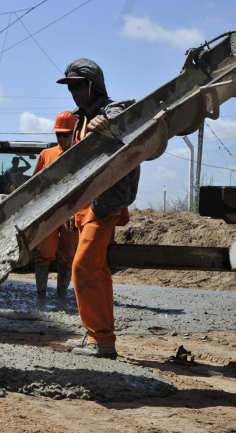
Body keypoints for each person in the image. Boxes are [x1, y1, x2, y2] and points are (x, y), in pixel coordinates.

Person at [57, 59, 140, 359]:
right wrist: (69, 210)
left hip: (102, 206)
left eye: (78, 85)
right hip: (85, 207)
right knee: (98, 271)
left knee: (82, 269)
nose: (73, 91)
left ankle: (100, 341)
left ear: (93, 86)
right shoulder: (81, 120)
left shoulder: (112, 111)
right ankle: (99, 336)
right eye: (70, 86)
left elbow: (134, 139)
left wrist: (107, 128)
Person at [33, 111, 79, 299]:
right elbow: (35, 186)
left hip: (72, 213)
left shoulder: (82, 155)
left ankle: (62, 296)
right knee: (44, 253)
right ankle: (41, 295)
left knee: (68, 255)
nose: (61, 137)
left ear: (75, 132)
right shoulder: (47, 155)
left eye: (65, 134)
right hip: (49, 214)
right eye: (57, 134)